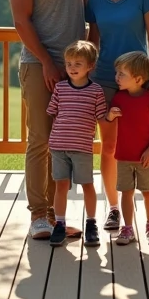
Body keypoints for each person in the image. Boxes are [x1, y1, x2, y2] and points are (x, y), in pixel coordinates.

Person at [9, 0, 96, 241]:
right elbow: (21, 21)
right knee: (41, 140)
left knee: (65, 144)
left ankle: (56, 218)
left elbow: (92, 15)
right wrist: (47, 61)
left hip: (76, 71)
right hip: (38, 66)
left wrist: (89, 57)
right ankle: (38, 216)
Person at [85, 0, 149, 232]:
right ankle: (114, 208)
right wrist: (83, 78)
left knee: (139, 143)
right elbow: (92, 43)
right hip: (105, 80)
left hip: (138, 84)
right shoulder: (95, 2)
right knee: (109, 146)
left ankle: (147, 216)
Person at [45, 40, 108, 247]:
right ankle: (60, 224)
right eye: (69, 63)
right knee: (61, 185)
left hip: (82, 148)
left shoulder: (96, 91)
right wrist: (55, 139)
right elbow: (53, 113)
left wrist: (113, 115)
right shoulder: (60, 88)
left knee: (87, 185)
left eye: (78, 64)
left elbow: (101, 116)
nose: (72, 68)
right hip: (59, 147)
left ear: (90, 66)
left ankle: (91, 224)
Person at [106, 51, 149, 246]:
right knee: (126, 192)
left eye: (121, 74)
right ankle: (128, 228)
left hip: (145, 157)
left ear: (138, 79)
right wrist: (111, 115)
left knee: (148, 192)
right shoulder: (119, 98)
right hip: (123, 156)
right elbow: (109, 118)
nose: (117, 77)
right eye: (117, 73)